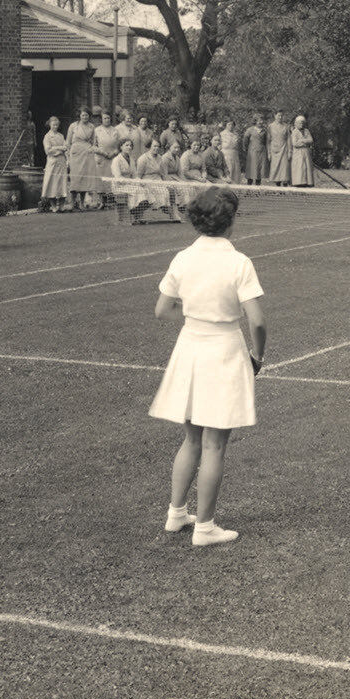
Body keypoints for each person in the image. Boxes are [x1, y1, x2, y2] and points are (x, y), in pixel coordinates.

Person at [149, 186, 267, 547]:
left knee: (192, 439)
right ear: (230, 221)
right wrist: (258, 356)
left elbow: (162, 309)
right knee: (214, 444)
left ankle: (176, 514)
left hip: (190, 349)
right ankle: (204, 527)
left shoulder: (183, 258)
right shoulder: (238, 262)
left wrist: (196, 316)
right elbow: (257, 321)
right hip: (223, 351)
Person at [67, 107, 100, 212]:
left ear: (89, 116)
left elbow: (94, 142)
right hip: (76, 153)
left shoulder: (91, 126)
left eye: (87, 115)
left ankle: (82, 203)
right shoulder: (73, 126)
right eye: (83, 115)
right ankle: (72, 203)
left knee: (84, 179)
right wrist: (68, 155)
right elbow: (68, 142)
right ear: (79, 116)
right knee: (75, 178)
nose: (85, 117)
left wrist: (91, 149)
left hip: (87, 153)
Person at [39, 115, 70, 213]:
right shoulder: (47, 137)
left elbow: (66, 147)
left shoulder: (61, 136)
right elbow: (48, 150)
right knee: (51, 183)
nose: (55, 126)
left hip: (61, 161)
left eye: (56, 125)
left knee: (62, 183)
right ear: (50, 125)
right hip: (52, 162)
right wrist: (60, 148)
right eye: (53, 125)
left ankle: (61, 206)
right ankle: (53, 206)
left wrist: (59, 149)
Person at [107, 138, 142, 224]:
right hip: (119, 186)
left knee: (143, 190)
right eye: (126, 145)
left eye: (130, 145)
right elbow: (118, 177)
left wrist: (139, 181)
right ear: (121, 147)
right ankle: (133, 213)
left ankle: (137, 216)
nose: (129, 147)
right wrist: (131, 182)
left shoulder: (132, 159)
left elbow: (134, 175)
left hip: (129, 185)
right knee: (136, 191)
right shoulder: (116, 160)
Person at [288, 115, 315, 187]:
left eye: (302, 122)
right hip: (298, 153)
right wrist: (305, 142)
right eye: (299, 123)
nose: (301, 124)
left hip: (306, 152)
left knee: (307, 167)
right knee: (299, 167)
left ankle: (307, 182)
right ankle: (298, 182)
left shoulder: (307, 131)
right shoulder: (294, 132)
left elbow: (311, 140)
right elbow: (295, 144)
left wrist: (302, 140)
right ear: (296, 123)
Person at [244, 114, 267, 187]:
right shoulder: (250, 130)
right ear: (255, 121)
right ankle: (248, 187)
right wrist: (246, 148)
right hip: (252, 152)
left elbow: (266, 141)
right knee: (251, 169)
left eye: (262, 120)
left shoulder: (264, 130)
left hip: (262, 152)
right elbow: (245, 140)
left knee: (259, 170)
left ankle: (258, 187)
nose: (261, 122)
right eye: (259, 120)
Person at [266, 111, 288, 183]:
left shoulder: (286, 126)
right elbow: (268, 140)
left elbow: (289, 139)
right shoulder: (270, 126)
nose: (280, 117)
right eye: (279, 115)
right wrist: (269, 153)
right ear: (275, 116)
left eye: (282, 116)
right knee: (275, 168)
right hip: (274, 149)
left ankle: (285, 184)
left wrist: (290, 151)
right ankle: (277, 184)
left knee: (284, 168)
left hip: (284, 148)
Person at [219, 118, 242, 184]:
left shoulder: (236, 134)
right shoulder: (222, 134)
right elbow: (219, 146)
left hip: (234, 154)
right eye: (229, 124)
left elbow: (238, 146)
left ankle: (235, 185)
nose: (231, 126)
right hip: (225, 154)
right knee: (228, 169)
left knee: (235, 170)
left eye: (232, 125)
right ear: (225, 125)